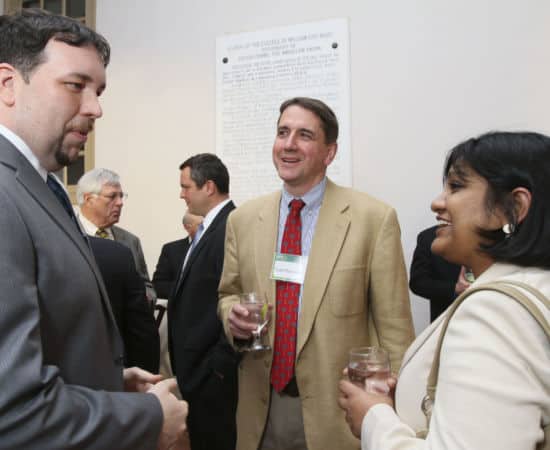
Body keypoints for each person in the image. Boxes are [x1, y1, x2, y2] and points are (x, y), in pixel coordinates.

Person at [0, 9, 187, 449]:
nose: (96, 108)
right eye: (74, 85)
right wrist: (147, 416)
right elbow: (13, 412)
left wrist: (106, 380)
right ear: (8, 84)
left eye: (98, 90)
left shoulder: (38, 187)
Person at [218, 97, 415, 450]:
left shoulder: (373, 219)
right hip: (260, 408)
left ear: (329, 152)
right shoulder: (243, 220)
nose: (289, 144)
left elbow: (395, 329)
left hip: (338, 413)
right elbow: (228, 294)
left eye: (304, 134)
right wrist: (230, 314)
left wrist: (398, 415)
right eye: (283, 132)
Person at [338, 131, 550, 450]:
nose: (437, 202)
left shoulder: (495, 313)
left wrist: (374, 418)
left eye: (456, 186)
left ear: (512, 207)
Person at [169, 153, 240, 450]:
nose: (182, 194)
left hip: (212, 374)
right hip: (198, 369)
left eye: (186, 187)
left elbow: (235, 294)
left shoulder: (229, 227)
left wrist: (218, 367)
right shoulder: (209, 226)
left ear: (208, 187)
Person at [77, 167, 157, 303]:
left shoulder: (131, 241)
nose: (120, 203)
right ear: (89, 199)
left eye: (121, 196)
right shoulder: (67, 235)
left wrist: (147, 296)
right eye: (112, 196)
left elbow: (146, 285)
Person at [89, 236, 160, 373]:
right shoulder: (112, 251)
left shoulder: (129, 242)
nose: (119, 212)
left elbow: (145, 281)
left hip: (117, 368)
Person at [409, 225, 467, 322]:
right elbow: (417, 282)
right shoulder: (428, 237)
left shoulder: (491, 233)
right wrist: (454, 288)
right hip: (445, 321)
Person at [153, 211, 203, 299]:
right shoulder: (171, 250)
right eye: (201, 225)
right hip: (180, 308)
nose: (206, 228)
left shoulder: (218, 246)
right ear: (187, 227)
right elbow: (158, 285)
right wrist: (187, 292)